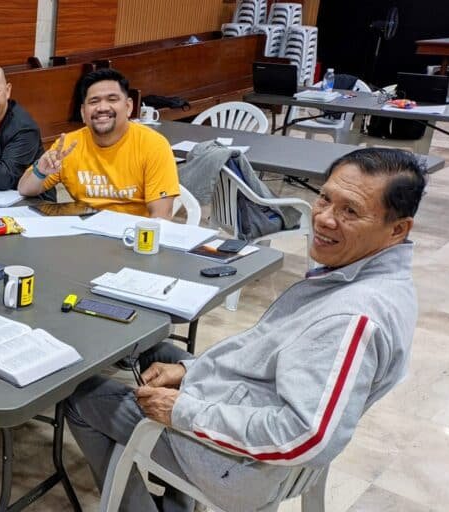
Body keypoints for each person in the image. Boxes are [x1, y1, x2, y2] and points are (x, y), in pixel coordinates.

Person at [65, 147, 426, 511]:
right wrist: (188, 371)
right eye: (325, 199)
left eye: (350, 211)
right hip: (248, 410)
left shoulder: (353, 317)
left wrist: (182, 411)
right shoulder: (375, 277)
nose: (325, 219)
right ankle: (178, 499)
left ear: (397, 229)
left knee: (81, 396)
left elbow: (304, 434)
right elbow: (263, 357)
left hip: (239, 466)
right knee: (157, 352)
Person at [17, 68, 178, 218]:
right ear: (83, 113)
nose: (102, 108)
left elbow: (161, 216)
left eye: (112, 99)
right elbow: (25, 189)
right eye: (94, 101)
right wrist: (40, 171)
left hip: (129, 238)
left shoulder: (154, 145)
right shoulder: (68, 145)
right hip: (82, 235)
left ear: (128, 107)